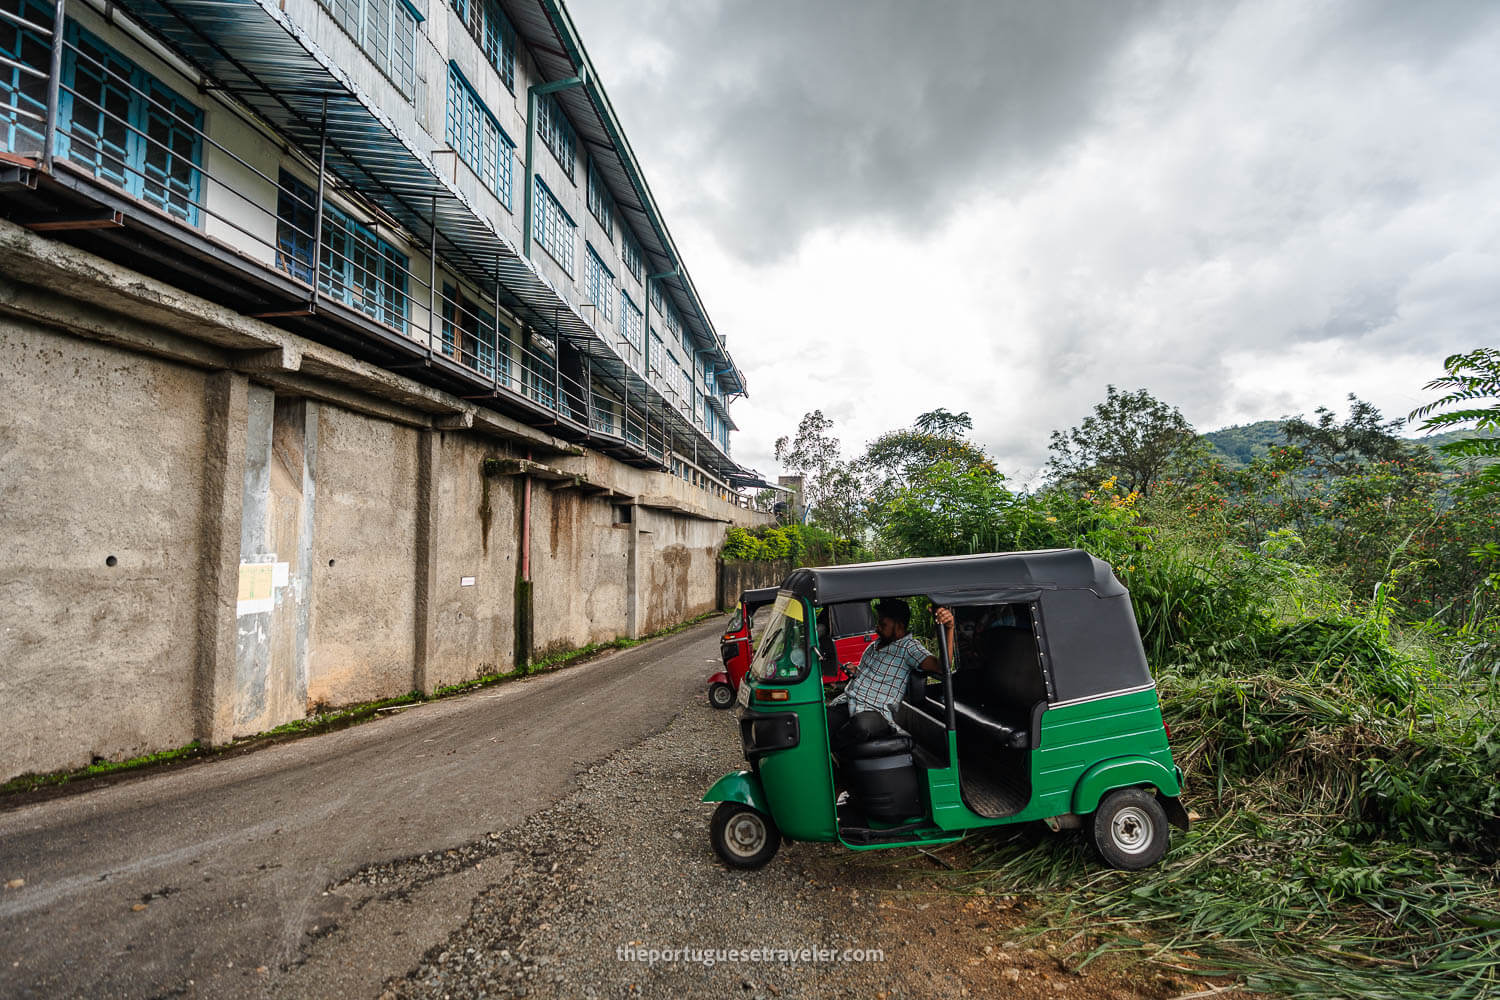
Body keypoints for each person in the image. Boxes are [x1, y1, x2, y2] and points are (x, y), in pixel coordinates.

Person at [827, 599, 955, 752]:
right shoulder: (874, 646)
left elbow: (942, 667)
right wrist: (856, 671)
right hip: (849, 701)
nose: (877, 628)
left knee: (862, 725)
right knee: (822, 719)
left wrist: (949, 628)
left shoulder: (909, 648)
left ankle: (830, 753)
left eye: (882, 624)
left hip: (876, 712)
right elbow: (867, 674)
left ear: (899, 626)